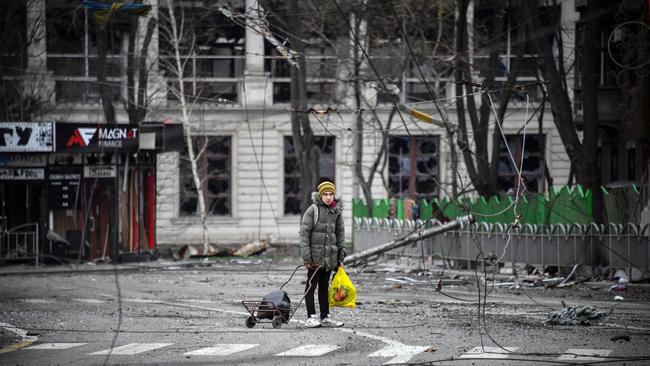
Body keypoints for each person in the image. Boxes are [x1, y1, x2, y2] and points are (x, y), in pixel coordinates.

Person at [299, 179, 346, 328]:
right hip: (315, 257)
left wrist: (340, 256)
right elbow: (304, 235)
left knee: (324, 287)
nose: (328, 197)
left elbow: (340, 235)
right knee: (311, 286)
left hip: (329, 258)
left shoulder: (336, 212)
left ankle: (325, 316)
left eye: (331, 194)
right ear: (320, 195)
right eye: (325, 194)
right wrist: (307, 257)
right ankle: (311, 316)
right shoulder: (313, 210)